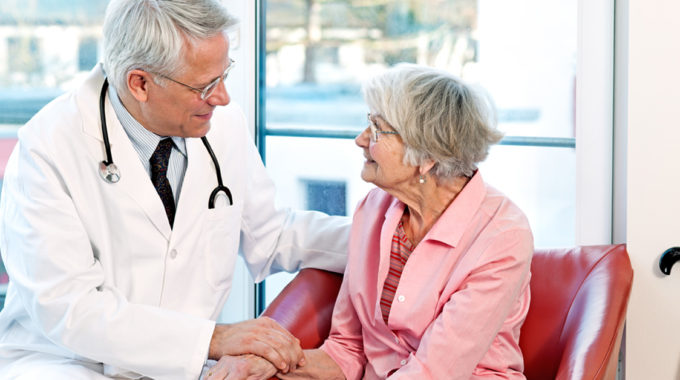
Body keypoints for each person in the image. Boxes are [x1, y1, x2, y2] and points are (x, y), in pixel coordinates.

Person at [0, 1, 350, 379]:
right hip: (63, 362)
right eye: (205, 86)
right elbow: (68, 308)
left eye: (224, 75)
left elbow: (271, 235)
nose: (223, 98)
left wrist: (389, 235)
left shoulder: (221, 124)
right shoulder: (48, 146)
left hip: (178, 365)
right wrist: (212, 340)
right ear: (140, 83)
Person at [278, 64, 534, 379]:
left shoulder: (502, 235)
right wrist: (272, 363)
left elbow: (434, 372)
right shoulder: (372, 208)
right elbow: (346, 349)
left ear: (427, 154)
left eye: (376, 128)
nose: (360, 139)